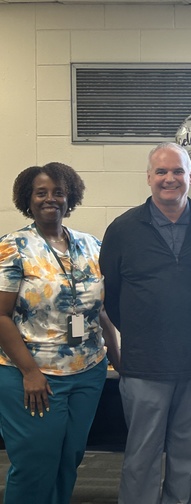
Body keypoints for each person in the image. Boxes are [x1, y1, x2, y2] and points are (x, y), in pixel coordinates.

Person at [99, 142, 191, 504]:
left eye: (178, 171)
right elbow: (111, 295)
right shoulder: (122, 229)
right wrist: (142, 331)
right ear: (149, 177)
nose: (170, 179)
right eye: (162, 171)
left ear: (190, 176)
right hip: (145, 365)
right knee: (142, 456)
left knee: (188, 457)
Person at [0, 162, 116, 504]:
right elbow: (1, 315)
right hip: (32, 375)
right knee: (35, 464)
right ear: (28, 198)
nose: (50, 198)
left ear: (70, 198)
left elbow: (100, 310)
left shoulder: (91, 245)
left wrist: (118, 358)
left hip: (88, 371)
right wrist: (30, 372)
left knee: (69, 459)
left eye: (58, 192)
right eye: (41, 193)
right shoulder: (14, 246)